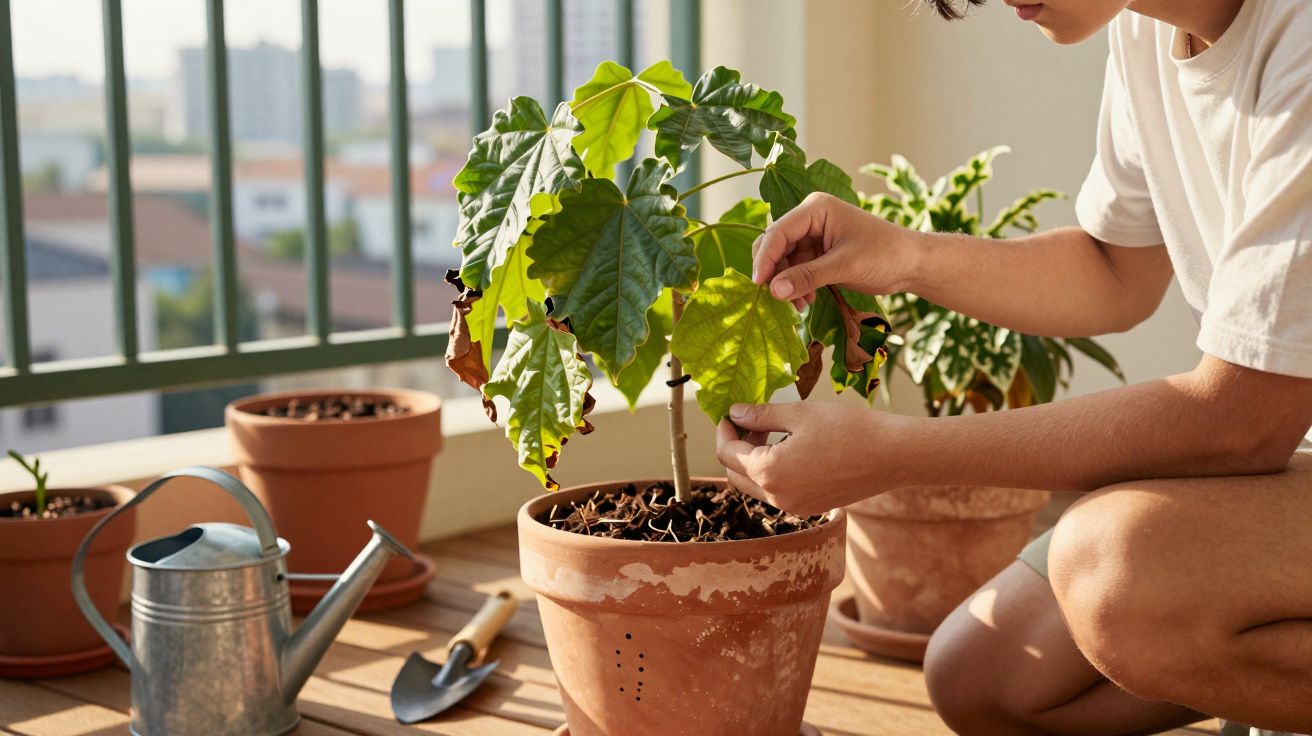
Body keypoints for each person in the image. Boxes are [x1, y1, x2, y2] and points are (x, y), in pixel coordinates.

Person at [715, 0, 1312, 733]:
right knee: (980, 676)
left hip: (1272, 442)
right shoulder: (1147, 26)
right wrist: (906, 255)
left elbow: (1241, 421)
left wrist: (892, 455)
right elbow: (1114, 272)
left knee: (1113, 568)